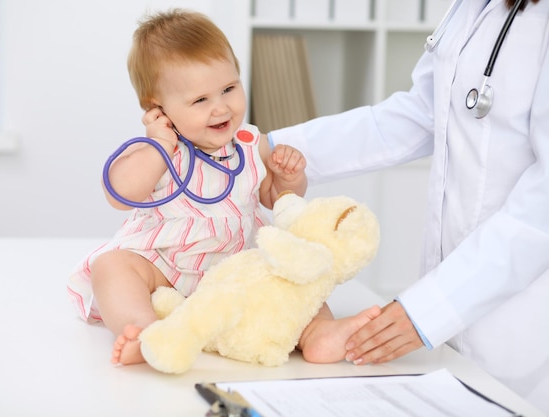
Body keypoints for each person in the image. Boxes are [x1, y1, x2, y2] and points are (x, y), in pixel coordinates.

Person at [269, 0, 549, 412]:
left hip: (520, 326)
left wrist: (430, 310)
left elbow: (540, 210)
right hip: (448, 323)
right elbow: (420, 114)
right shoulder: (472, 6)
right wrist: (272, 150)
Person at [67, 9, 318, 367]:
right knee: (111, 266)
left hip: (233, 269)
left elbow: (276, 200)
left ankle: (317, 334)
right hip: (165, 270)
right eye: (200, 100)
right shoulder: (158, 152)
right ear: (158, 108)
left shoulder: (250, 144)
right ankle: (147, 332)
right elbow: (120, 195)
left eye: (229, 88)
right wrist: (160, 144)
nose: (221, 108)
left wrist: (289, 178)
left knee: (297, 276)